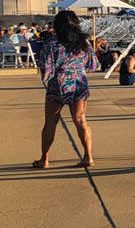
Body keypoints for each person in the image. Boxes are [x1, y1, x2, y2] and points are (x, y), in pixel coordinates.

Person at [35, 10, 97, 168]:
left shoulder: (51, 44)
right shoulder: (84, 42)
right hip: (79, 83)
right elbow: (93, 65)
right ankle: (88, 156)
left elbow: (45, 68)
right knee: (81, 120)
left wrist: (49, 77)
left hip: (59, 84)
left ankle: (44, 159)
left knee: (50, 122)